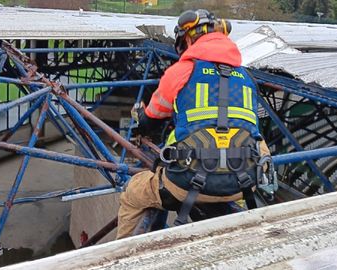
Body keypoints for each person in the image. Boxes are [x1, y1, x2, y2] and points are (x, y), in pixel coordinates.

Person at [117, 9, 273, 239]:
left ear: (188, 38)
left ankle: (120, 257)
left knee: (132, 194)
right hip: (243, 184)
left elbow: (152, 118)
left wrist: (142, 119)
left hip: (186, 184)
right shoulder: (247, 78)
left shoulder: (183, 70)